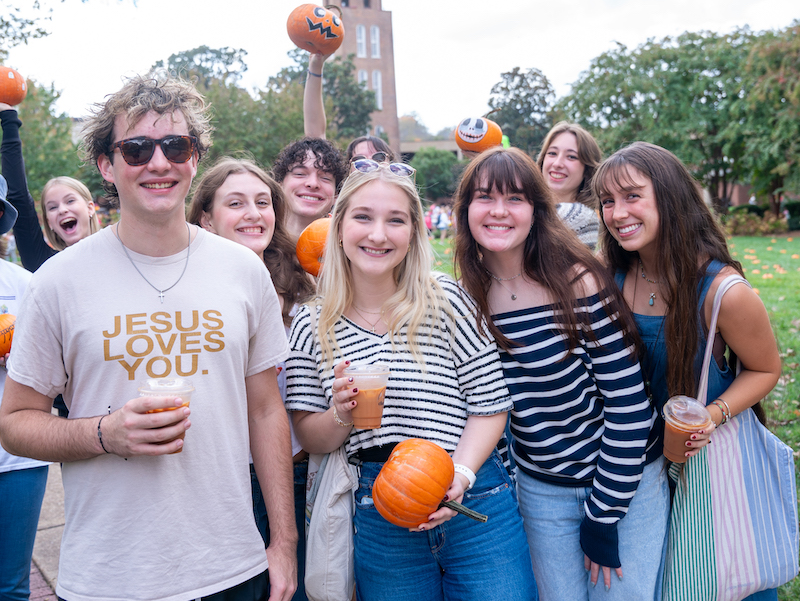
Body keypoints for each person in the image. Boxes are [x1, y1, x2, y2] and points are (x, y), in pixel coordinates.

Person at [0, 75, 297, 601]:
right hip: (110, 576)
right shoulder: (57, 282)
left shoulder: (242, 271)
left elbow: (266, 410)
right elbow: (17, 424)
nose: (157, 163)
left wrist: (283, 541)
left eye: (175, 145)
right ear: (106, 167)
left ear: (194, 158)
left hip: (235, 567)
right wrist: (103, 434)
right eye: (135, 148)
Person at [285, 157, 536, 601]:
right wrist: (340, 415)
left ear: (414, 230)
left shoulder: (446, 298)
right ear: (339, 226)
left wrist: (459, 474)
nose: (378, 234)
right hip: (381, 509)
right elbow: (309, 434)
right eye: (363, 217)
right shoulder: (311, 323)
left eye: (395, 220)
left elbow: (491, 406)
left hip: (472, 494)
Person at [453, 146, 663, 601]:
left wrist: (605, 514)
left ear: (536, 210)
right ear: (466, 209)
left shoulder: (578, 283)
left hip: (622, 482)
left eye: (516, 198)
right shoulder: (465, 299)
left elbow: (629, 407)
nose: (499, 211)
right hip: (542, 491)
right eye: (485, 197)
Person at [593, 142, 782, 600]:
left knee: (719, 579)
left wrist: (710, 416)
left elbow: (765, 369)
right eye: (607, 201)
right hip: (638, 471)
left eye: (632, 196)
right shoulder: (612, 279)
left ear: (670, 197)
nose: (617, 213)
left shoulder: (723, 292)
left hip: (709, 470)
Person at [188, 157, 314, 601]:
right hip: (221, 480)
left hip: (295, 477)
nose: (253, 214)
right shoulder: (188, 293)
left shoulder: (306, 288)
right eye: (236, 203)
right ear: (206, 216)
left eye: (263, 202)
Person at [0, 177, 45, 601]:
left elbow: (52, 366)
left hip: (16, 461)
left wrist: (19, 359)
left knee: (11, 588)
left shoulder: (24, 283)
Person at [0, 103, 100, 271]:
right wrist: (9, 120)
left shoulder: (124, 253)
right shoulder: (45, 264)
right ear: (49, 223)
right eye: (52, 207)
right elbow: (18, 197)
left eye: (70, 201)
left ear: (90, 208)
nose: (62, 210)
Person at [536, 121, 602, 248]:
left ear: (587, 169)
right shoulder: (533, 206)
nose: (557, 163)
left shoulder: (582, 217)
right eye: (552, 153)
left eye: (571, 157)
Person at [271, 136, 347, 243]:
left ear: (336, 195)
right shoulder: (257, 244)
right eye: (300, 174)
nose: (313, 183)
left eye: (325, 177)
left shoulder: (347, 252)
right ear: (279, 185)